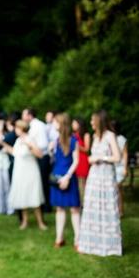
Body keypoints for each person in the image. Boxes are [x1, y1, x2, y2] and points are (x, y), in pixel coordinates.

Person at [78, 110, 122, 256]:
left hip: (106, 176)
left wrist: (102, 158)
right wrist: (92, 159)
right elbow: (91, 156)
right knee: (92, 207)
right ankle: (92, 243)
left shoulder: (110, 136)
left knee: (107, 207)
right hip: (94, 176)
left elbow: (117, 157)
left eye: (92, 120)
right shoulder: (94, 137)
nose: (91, 123)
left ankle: (109, 245)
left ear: (99, 121)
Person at [5, 120, 47, 230]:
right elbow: (15, 153)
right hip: (19, 171)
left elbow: (40, 154)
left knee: (34, 194)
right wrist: (3, 145)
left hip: (30, 171)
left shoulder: (30, 139)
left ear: (22, 129)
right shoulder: (18, 140)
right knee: (22, 195)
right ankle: (25, 221)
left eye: (17, 128)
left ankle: (40, 222)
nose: (15, 130)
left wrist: (29, 145)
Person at [50, 113, 81, 248]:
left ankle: (78, 240)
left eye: (55, 122)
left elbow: (76, 161)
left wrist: (67, 177)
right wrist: (51, 150)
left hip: (68, 176)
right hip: (57, 176)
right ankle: (59, 238)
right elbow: (54, 159)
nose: (53, 124)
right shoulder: (56, 140)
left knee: (74, 209)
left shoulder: (74, 141)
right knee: (59, 208)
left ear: (62, 124)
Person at [22, 108, 51, 213]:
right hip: (38, 156)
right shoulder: (35, 125)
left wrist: (32, 147)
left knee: (43, 182)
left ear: (30, 115)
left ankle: (46, 206)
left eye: (24, 115)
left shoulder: (37, 126)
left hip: (42, 156)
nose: (23, 117)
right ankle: (43, 205)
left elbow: (43, 144)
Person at [0, 117, 13, 215]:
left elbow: (1, 143)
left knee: (7, 185)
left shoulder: (8, 134)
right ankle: (1, 207)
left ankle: (10, 208)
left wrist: (1, 129)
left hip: (6, 163)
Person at [111, 121, 128, 217]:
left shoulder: (122, 139)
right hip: (111, 167)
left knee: (118, 189)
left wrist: (125, 168)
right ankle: (115, 210)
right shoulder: (109, 138)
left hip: (120, 167)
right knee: (114, 190)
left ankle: (120, 211)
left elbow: (125, 154)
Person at [72, 118, 90, 204]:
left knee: (83, 183)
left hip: (83, 160)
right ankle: (79, 202)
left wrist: (77, 146)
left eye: (74, 123)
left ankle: (84, 202)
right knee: (77, 183)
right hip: (75, 159)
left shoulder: (86, 135)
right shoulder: (73, 135)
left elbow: (87, 149)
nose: (72, 125)